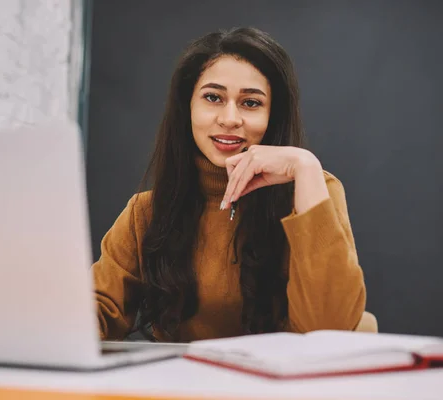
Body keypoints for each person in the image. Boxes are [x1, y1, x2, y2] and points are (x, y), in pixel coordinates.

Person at [93, 27, 366, 343]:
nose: (230, 118)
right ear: (188, 108)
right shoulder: (146, 212)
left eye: (251, 103)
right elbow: (98, 312)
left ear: (272, 115)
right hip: (183, 390)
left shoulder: (314, 189)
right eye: (213, 97)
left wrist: (305, 166)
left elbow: (330, 333)